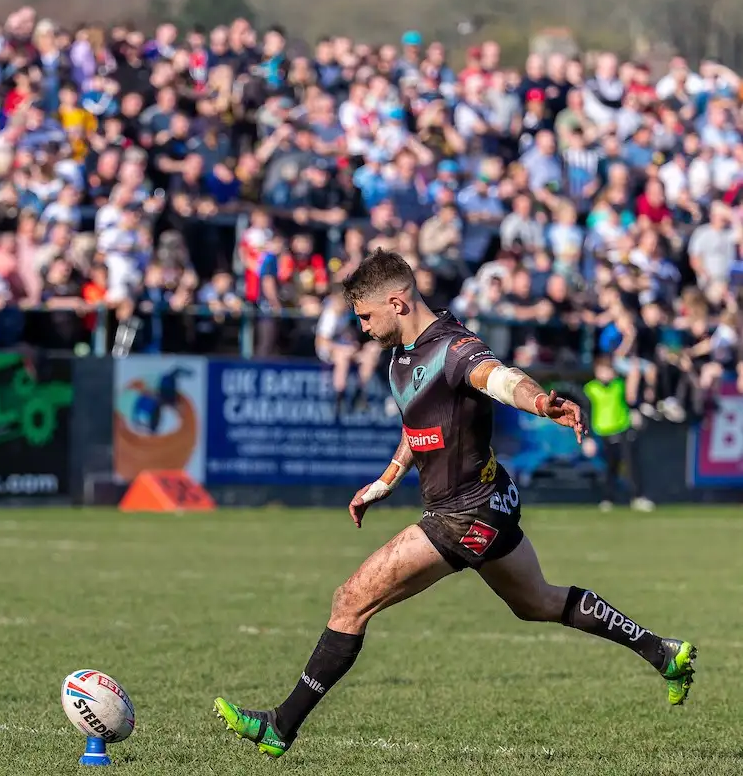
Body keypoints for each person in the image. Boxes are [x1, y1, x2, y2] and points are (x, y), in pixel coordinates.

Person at [214, 250, 697, 759]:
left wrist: (539, 402)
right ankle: (663, 652)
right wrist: (387, 480)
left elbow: (498, 377)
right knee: (538, 603)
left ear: (397, 303)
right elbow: (418, 422)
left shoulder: (455, 347)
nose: (361, 328)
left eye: (365, 316)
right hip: (489, 501)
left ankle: (280, 727)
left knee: (351, 599)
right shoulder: (403, 356)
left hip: (464, 513)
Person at [583, 354, 655, 512]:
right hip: (603, 431)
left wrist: (635, 412)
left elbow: (631, 399)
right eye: (602, 370)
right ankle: (608, 498)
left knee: (631, 464)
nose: (606, 374)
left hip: (622, 428)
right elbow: (586, 413)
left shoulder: (620, 384)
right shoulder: (590, 389)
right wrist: (587, 438)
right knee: (610, 467)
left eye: (609, 370)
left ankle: (638, 497)